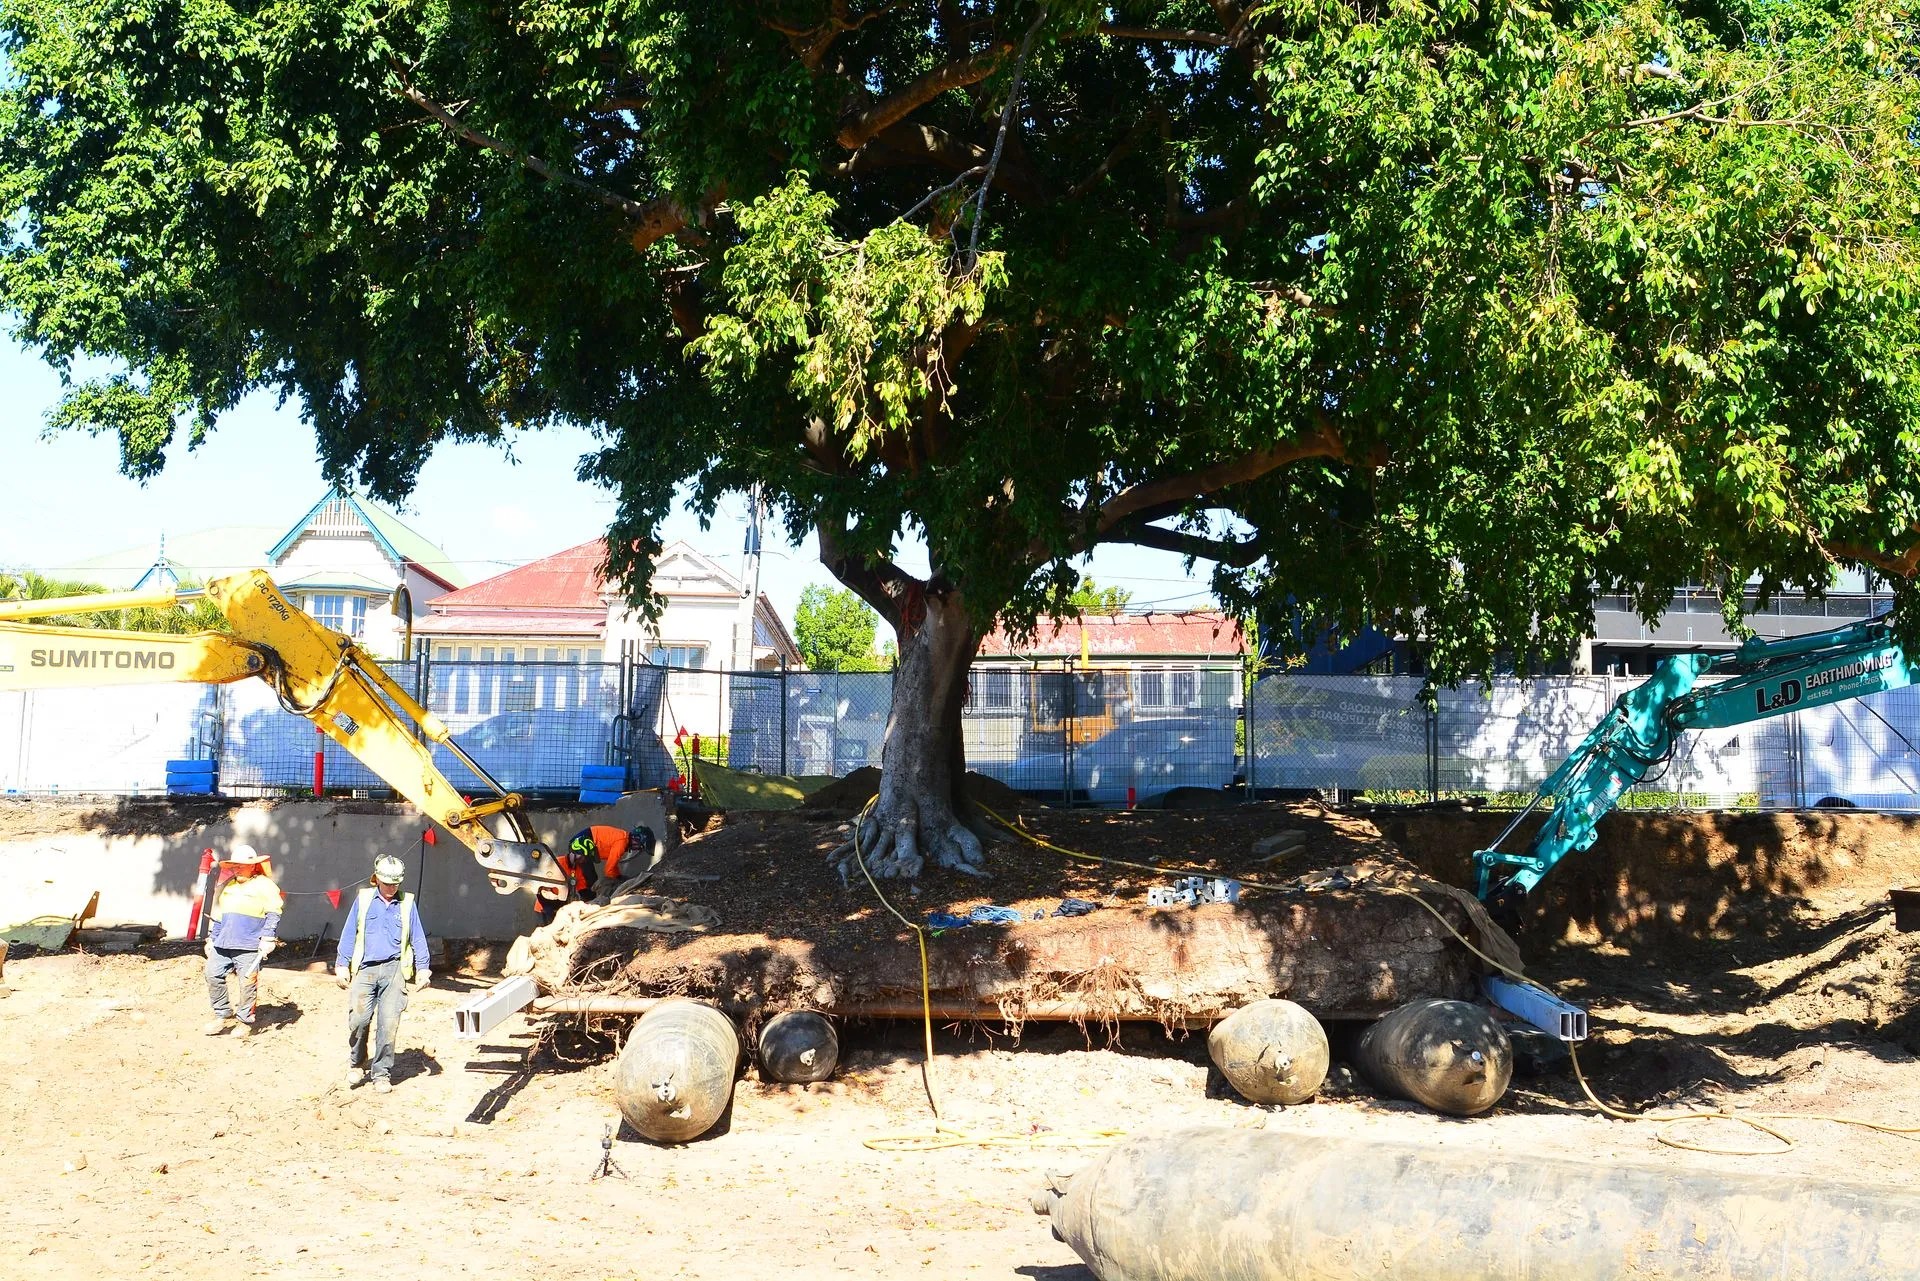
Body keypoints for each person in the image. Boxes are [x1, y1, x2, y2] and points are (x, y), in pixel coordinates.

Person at [334, 854, 431, 1093]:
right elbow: (349, 933)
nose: (391, 888)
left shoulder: (407, 903)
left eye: (396, 883)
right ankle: (357, 1063)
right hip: (366, 969)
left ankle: (381, 1074)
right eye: (387, 883)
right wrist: (341, 965)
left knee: (388, 1025)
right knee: (358, 1020)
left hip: (394, 970)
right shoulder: (364, 900)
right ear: (376, 879)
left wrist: (423, 969)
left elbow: (417, 937)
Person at [203, 844, 282, 1039]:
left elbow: (274, 912)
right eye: (235, 865)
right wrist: (212, 939)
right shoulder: (229, 886)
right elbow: (221, 916)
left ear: (253, 866)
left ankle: (245, 1020)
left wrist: (268, 937)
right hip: (223, 942)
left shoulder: (265, 885)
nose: (237, 868)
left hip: (248, 944)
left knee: (247, 982)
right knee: (212, 974)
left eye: (241, 865)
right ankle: (223, 1014)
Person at [536, 824, 654, 920]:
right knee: (591, 881)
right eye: (640, 846)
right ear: (636, 839)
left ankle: (591, 905)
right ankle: (594, 905)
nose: (638, 849)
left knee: (587, 886)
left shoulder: (621, 839)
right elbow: (609, 869)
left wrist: (618, 876)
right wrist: (615, 883)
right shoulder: (622, 842)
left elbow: (612, 865)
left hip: (585, 843)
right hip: (546, 904)